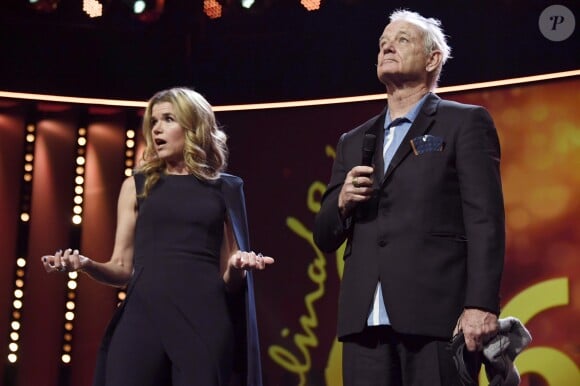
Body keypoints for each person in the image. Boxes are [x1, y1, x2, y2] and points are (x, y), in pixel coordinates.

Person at [313, 9, 505, 386]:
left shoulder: (465, 122)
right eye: (383, 42)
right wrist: (341, 202)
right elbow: (324, 235)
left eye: (402, 40)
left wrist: (481, 305)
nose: (387, 46)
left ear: (433, 58)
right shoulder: (353, 141)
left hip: (437, 320)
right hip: (364, 323)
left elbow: (486, 220)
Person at [41, 87, 274, 386]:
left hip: (203, 319)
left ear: (193, 126)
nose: (157, 129)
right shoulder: (137, 185)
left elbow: (229, 278)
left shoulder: (226, 188)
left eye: (168, 119)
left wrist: (237, 266)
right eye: (153, 121)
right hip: (143, 316)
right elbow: (122, 268)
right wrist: (85, 263)